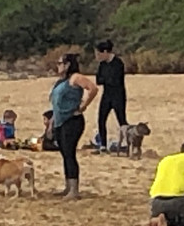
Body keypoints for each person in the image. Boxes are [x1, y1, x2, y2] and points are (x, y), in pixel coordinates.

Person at [49, 53, 98, 200]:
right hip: (60, 120)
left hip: (72, 120)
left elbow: (93, 88)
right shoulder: (60, 82)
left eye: (60, 63)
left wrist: (84, 105)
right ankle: (68, 186)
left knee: (70, 153)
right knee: (64, 153)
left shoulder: (75, 78)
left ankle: (74, 190)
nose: (58, 66)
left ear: (68, 64)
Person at [94, 40, 128, 153]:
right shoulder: (102, 65)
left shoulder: (118, 63)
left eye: (99, 54)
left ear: (105, 52)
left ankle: (127, 143)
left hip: (118, 95)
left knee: (121, 119)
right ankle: (103, 145)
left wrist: (106, 80)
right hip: (107, 94)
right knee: (101, 119)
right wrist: (106, 80)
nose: (98, 56)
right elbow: (99, 80)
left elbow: (115, 80)